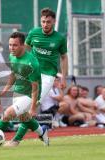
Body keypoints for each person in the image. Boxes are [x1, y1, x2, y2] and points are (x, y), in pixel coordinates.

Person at [0, 32, 49, 148]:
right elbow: (13, 75)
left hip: (30, 94)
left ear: (22, 45)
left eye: (15, 45)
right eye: (10, 45)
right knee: (25, 118)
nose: (11, 48)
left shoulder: (32, 62)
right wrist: (4, 91)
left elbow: (35, 87)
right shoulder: (12, 56)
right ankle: (42, 132)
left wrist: (33, 107)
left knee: (8, 114)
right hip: (18, 92)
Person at [7, 7, 68, 146]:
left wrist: (63, 77)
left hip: (47, 76)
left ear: (54, 22)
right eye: (43, 21)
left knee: (30, 106)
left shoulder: (60, 38)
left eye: (48, 22)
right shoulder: (34, 33)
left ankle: (16, 140)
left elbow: (64, 58)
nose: (45, 24)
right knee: (20, 110)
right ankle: (42, 132)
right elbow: (25, 49)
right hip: (31, 73)